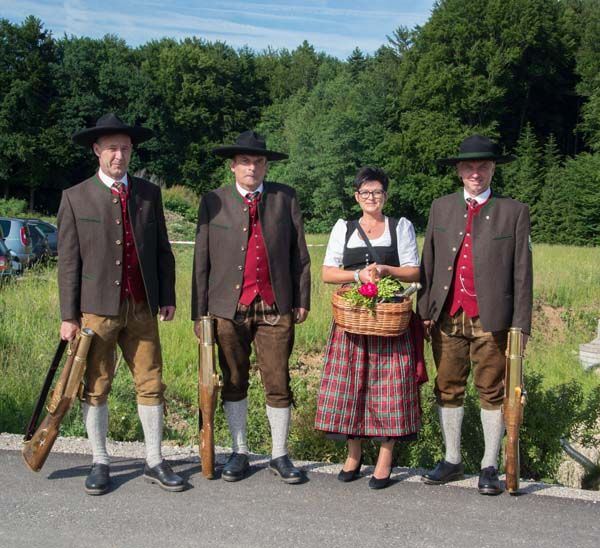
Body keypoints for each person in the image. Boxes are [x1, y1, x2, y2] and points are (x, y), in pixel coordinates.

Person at [58, 113, 183, 495]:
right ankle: (100, 460)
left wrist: (167, 296)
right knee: (95, 386)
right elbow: (68, 263)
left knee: (151, 382)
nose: (119, 155)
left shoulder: (148, 193)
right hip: (96, 309)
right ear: (96, 150)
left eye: (125, 148)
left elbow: (163, 249)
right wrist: (68, 316)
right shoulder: (75, 197)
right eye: (111, 148)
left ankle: (155, 460)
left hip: (143, 305)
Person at [192, 130, 311, 484]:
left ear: (266, 166)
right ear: (233, 166)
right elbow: (201, 260)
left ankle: (279, 454)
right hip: (227, 307)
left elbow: (300, 256)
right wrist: (200, 313)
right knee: (233, 380)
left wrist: (302, 300)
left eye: (259, 161)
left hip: (276, 306)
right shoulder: (213, 201)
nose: (253, 167)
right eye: (245, 161)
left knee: (278, 380)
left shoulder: (284, 198)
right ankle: (239, 451)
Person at [418, 134, 533, 495]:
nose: (476, 172)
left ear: (493, 169)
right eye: (469, 166)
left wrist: (521, 325)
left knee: (492, 391)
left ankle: (488, 465)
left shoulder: (514, 211)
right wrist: (424, 311)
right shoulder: (440, 207)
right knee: (447, 388)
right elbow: (429, 262)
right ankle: (452, 460)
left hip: (493, 318)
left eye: (483, 166)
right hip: (447, 317)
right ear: (458, 170)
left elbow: (522, 272)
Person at [314, 166, 423, 490]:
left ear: (385, 196)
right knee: (351, 388)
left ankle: (385, 459)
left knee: (389, 391)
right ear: (356, 196)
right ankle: (354, 454)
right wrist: (359, 276)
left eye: (377, 192)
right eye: (365, 192)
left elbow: (415, 271)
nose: (371, 198)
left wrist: (387, 269)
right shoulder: (343, 228)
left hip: (389, 319)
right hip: (353, 319)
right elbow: (328, 273)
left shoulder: (399, 226)